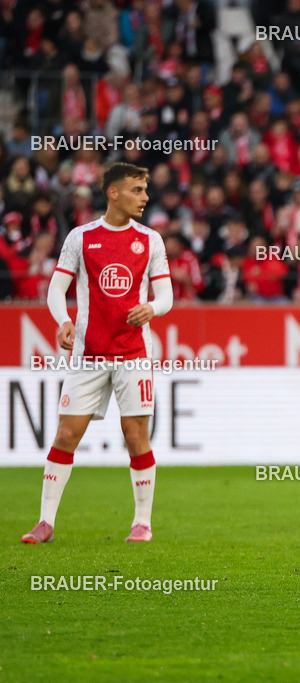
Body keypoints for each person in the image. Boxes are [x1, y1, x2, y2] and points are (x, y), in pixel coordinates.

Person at [21, 163, 173, 544]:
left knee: (136, 436)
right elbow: (56, 289)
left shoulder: (151, 240)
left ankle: (142, 523)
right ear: (113, 192)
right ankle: (45, 522)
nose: (145, 197)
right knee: (65, 435)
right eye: (137, 189)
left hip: (134, 355)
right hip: (89, 355)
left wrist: (152, 309)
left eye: (145, 189)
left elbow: (167, 296)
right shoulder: (82, 237)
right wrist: (63, 319)